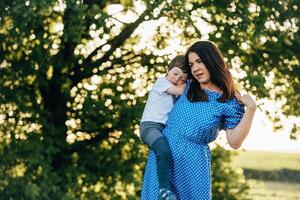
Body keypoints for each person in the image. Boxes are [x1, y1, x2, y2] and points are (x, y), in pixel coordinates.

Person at [141, 41, 256, 200]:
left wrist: (250, 109)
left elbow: (235, 142)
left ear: (212, 60)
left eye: (199, 62)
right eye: (191, 64)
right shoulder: (186, 86)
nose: (195, 68)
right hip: (163, 159)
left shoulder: (228, 102)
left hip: (193, 165)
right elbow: (159, 92)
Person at [140, 55, 188, 200]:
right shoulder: (161, 82)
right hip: (149, 127)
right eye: (175, 73)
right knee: (163, 151)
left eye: (182, 79)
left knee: (169, 156)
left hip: (163, 129)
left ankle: (166, 188)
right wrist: (189, 83)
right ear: (168, 69)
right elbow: (181, 91)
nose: (177, 79)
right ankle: (164, 190)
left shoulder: (172, 88)